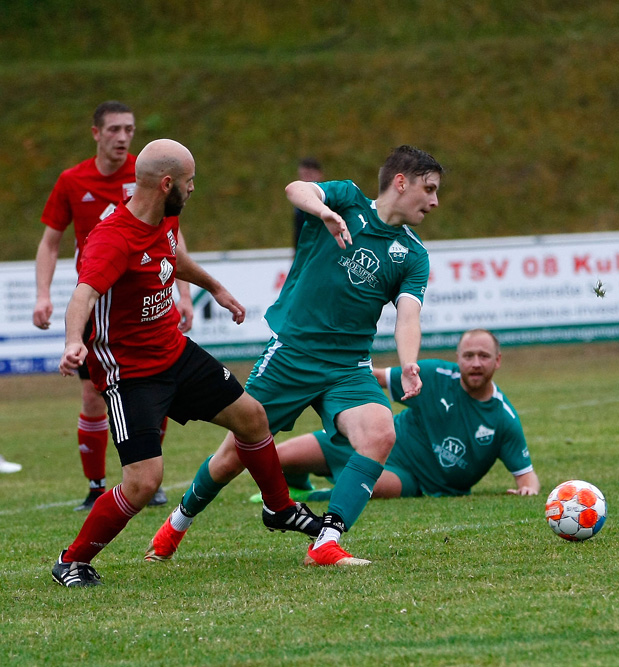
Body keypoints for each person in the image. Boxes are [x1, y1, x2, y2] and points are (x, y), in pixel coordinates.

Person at [146, 145, 444, 568]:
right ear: (402, 182)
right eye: (429, 189)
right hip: (293, 355)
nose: (434, 201)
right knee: (234, 455)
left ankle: (325, 541)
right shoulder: (346, 199)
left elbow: (408, 317)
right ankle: (176, 523)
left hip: (349, 368)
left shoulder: (413, 254)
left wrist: (409, 360)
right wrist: (321, 211)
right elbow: (297, 189)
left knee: (380, 434)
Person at [51, 139, 320, 587]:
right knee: (142, 482)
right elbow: (84, 294)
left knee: (253, 417)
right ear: (167, 183)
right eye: (190, 181)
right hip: (130, 374)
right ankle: (72, 561)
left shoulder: (165, 214)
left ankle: (280, 509)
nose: (194, 189)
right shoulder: (112, 238)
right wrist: (72, 341)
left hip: (175, 351)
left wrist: (214, 287)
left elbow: (171, 258)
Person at [34, 101, 191, 512]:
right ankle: (96, 485)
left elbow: (172, 234)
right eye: (115, 129)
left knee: (155, 390)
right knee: (91, 396)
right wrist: (43, 294)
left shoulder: (151, 170)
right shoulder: (72, 181)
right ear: (96, 134)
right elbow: (50, 242)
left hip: (142, 299)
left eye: (130, 129)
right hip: (98, 299)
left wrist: (185, 294)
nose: (123, 137)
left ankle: (147, 479)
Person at [251, 329, 540, 502]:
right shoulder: (434, 375)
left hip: (411, 477)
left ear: (498, 361)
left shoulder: (503, 418)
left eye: (484, 356)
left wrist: (527, 491)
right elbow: (375, 377)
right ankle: (300, 483)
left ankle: (308, 498)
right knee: (275, 456)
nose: (475, 363)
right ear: (458, 358)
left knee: (365, 487)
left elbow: (527, 478)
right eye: (468, 356)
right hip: (373, 440)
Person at [292, 157, 324, 250]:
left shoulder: (326, 198)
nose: (306, 179)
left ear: (319, 175)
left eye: (309, 175)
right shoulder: (298, 198)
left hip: (319, 248)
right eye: (304, 175)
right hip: (303, 248)